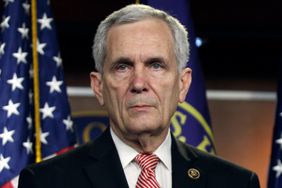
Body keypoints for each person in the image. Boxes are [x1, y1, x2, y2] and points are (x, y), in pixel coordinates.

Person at [18, 4, 260, 188]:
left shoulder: (234, 182)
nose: (139, 83)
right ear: (99, 86)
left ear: (183, 84)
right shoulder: (47, 182)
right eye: (122, 67)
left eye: (156, 65)